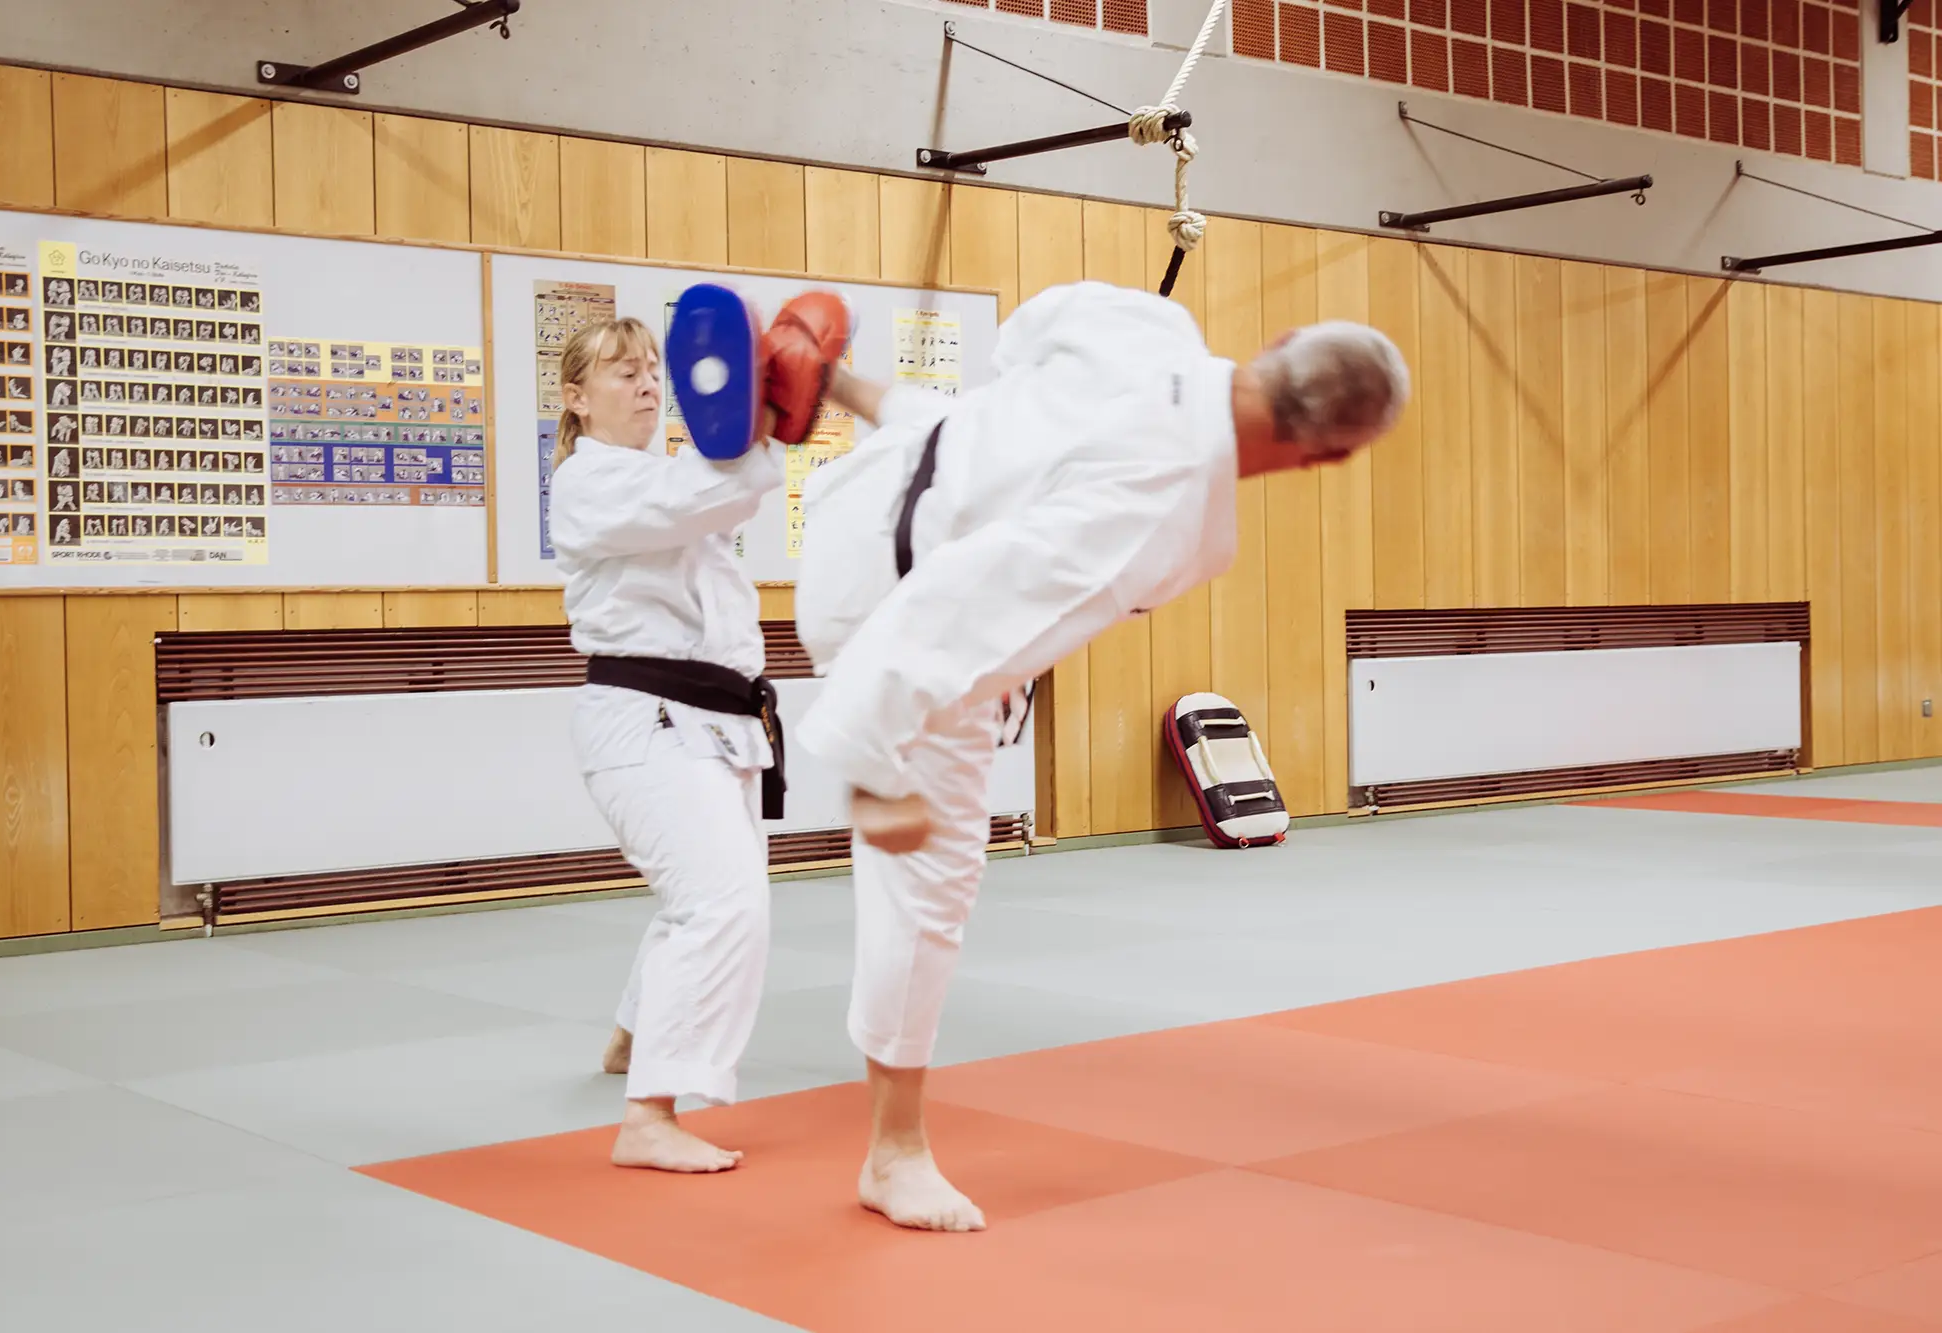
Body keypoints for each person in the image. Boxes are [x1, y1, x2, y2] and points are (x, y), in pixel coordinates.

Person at [789, 279, 1410, 1232]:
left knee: (984, 462)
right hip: (883, 612)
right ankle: (894, 1151)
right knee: (932, 883)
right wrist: (872, 766)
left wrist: (836, 384)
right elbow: (953, 605)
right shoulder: (1159, 518)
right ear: (1323, 459)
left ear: (1277, 341)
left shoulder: (1146, 322)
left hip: (862, 496)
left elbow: (1001, 398)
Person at [547, 315, 786, 1174]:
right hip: (645, 721)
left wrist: (761, 417)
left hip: (709, 725)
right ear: (576, 398)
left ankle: (629, 1038)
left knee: (708, 892)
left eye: (654, 370)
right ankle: (649, 1114)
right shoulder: (589, 481)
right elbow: (711, 491)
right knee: (721, 904)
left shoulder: (663, 474)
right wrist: (765, 424)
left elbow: (708, 493)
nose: (649, 384)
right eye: (623, 373)